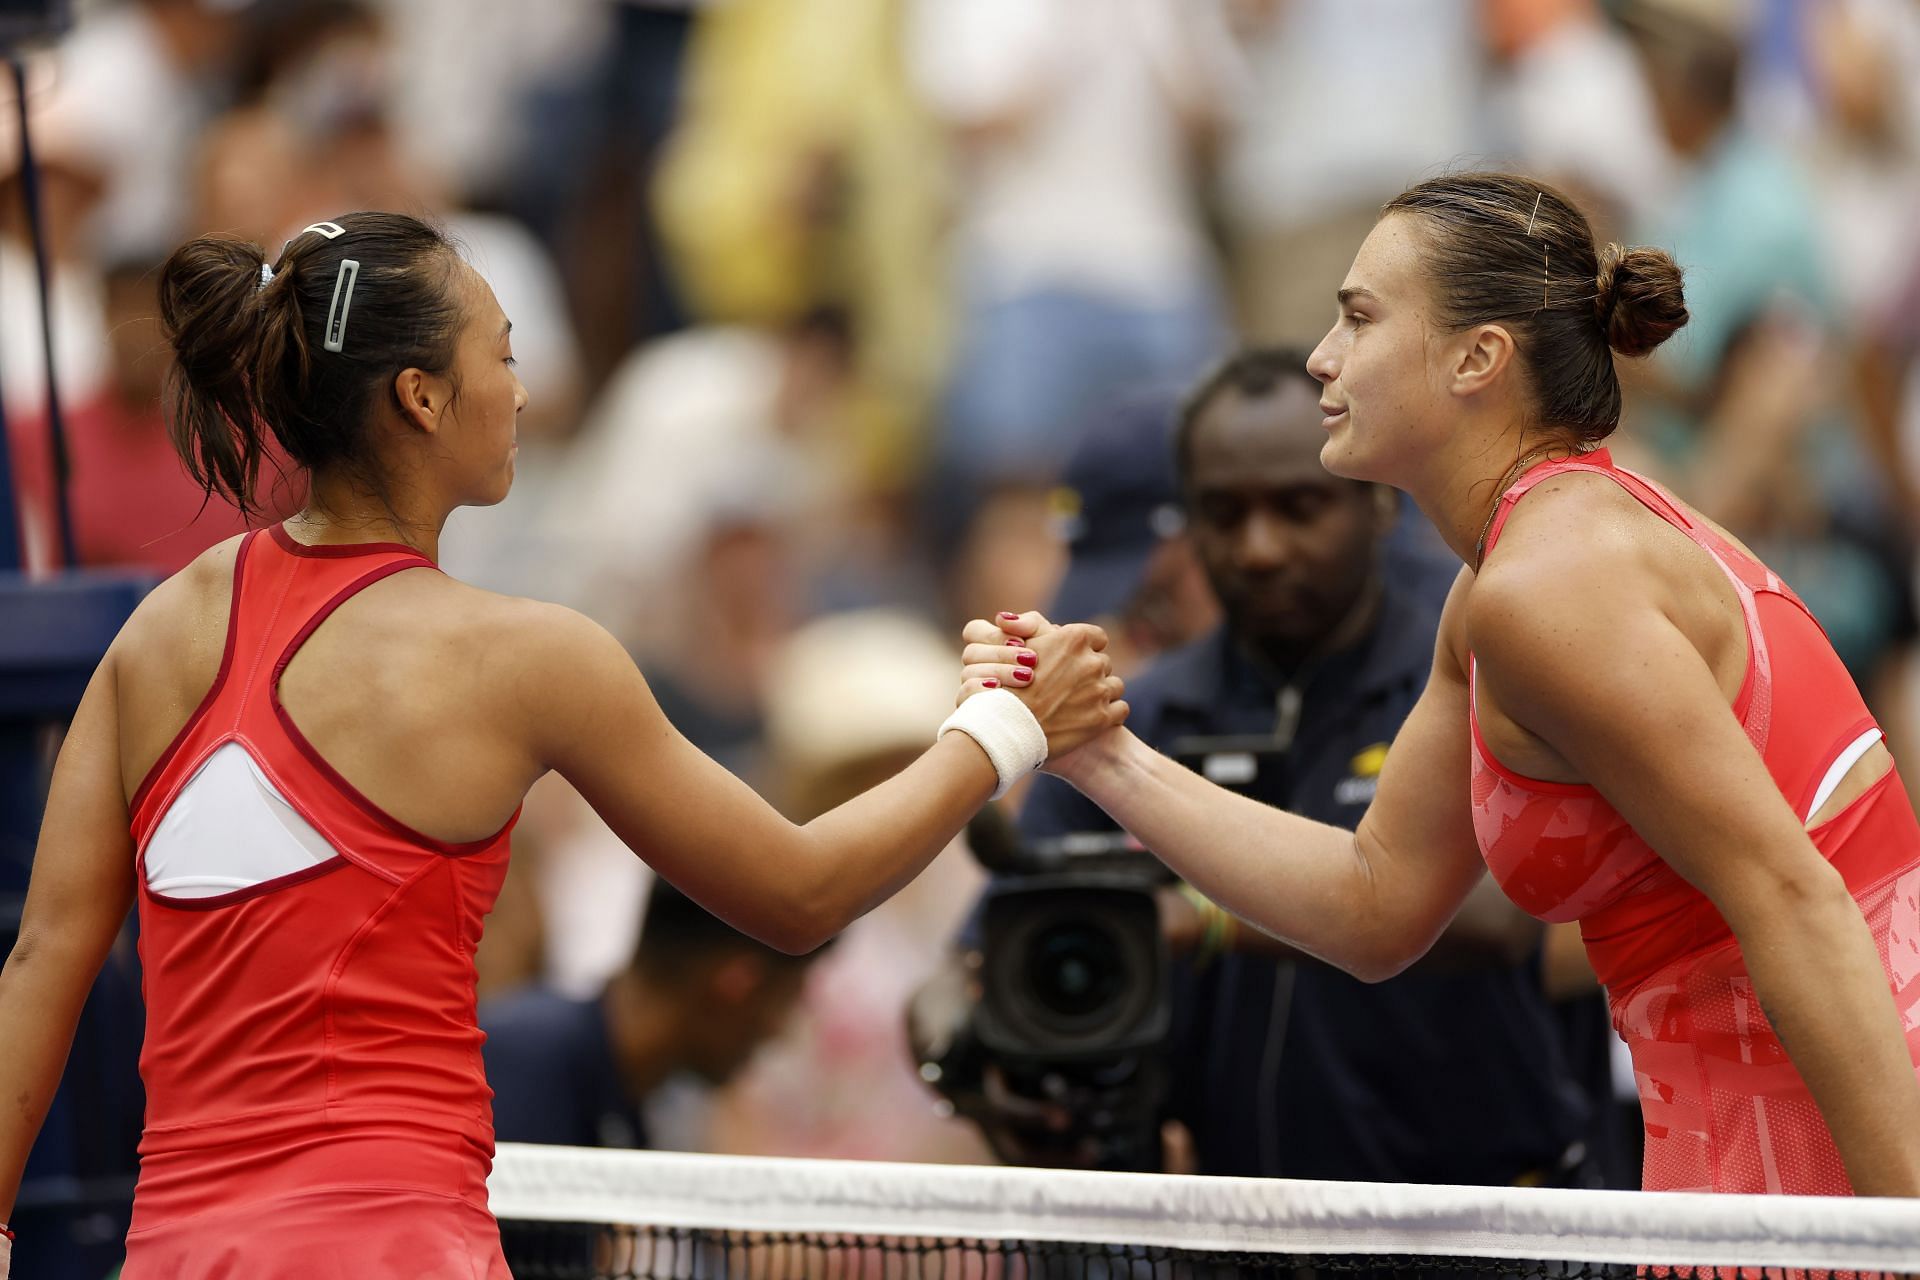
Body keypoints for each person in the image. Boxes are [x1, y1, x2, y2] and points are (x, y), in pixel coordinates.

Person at [0, 211, 1124, 1279]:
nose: (524, 389)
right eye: (504, 354)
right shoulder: (527, 657)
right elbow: (800, 891)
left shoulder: (159, 631)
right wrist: (1006, 725)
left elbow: (44, 957)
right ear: (422, 396)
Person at [961, 173, 1920, 1196]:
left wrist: (1901, 1222)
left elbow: (1792, 892)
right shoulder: (1510, 579)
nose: (1322, 357)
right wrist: (1099, 750)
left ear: (1478, 357)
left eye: (1359, 318)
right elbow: (1376, 902)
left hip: (1827, 1133)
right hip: (1759, 1130)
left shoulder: (1549, 587)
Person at [945, 348, 1609, 1186]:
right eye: (1223, 514)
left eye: (1299, 508)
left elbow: (1500, 916)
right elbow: (975, 958)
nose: (1259, 549)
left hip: (1482, 1223)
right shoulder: (1134, 719)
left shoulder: (1479, 669)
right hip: (1232, 1227)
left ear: (1374, 501)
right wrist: (969, 1067)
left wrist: (1199, 916)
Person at [480, 883, 816, 1150]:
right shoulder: (520, 1069)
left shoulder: (630, 1105)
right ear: (737, 983)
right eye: (787, 996)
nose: (778, 1031)